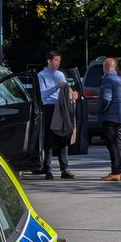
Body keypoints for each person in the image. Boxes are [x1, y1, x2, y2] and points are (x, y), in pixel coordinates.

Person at [37, 51, 75, 179]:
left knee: (63, 136)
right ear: (49, 61)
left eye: (59, 61)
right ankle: (48, 169)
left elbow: (67, 90)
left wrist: (73, 94)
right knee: (49, 138)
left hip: (61, 107)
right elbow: (42, 95)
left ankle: (64, 169)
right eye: (56, 60)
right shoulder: (41, 75)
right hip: (49, 107)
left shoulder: (60, 74)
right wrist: (55, 87)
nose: (58, 63)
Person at [99, 58, 121, 181]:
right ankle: (119, 171)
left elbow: (106, 99)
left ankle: (115, 172)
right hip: (120, 116)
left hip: (110, 116)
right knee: (118, 143)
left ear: (105, 66)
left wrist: (101, 110)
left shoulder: (107, 79)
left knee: (112, 144)